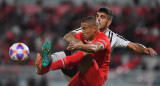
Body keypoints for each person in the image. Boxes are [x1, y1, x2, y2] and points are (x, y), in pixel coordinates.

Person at [36, 7, 157, 80]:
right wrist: (78, 43)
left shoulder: (113, 37)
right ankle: (48, 60)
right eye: (97, 16)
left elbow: (134, 45)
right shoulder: (88, 28)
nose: (98, 19)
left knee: (82, 54)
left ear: (109, 22)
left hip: (87, 74)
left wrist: (145, 48)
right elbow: (67, 36)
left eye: (102, 17)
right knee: (71, 52)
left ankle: (47, 64)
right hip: (74, 65)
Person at [35, 16, 111, 86]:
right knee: (69, 51)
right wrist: (76, 43)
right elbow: (67, 36)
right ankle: (48, 60)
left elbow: (93, 49)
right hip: (74, 68)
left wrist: (79, 45)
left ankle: (47, 66)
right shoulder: (84, 32)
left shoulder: (103, 39)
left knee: (81, 56)